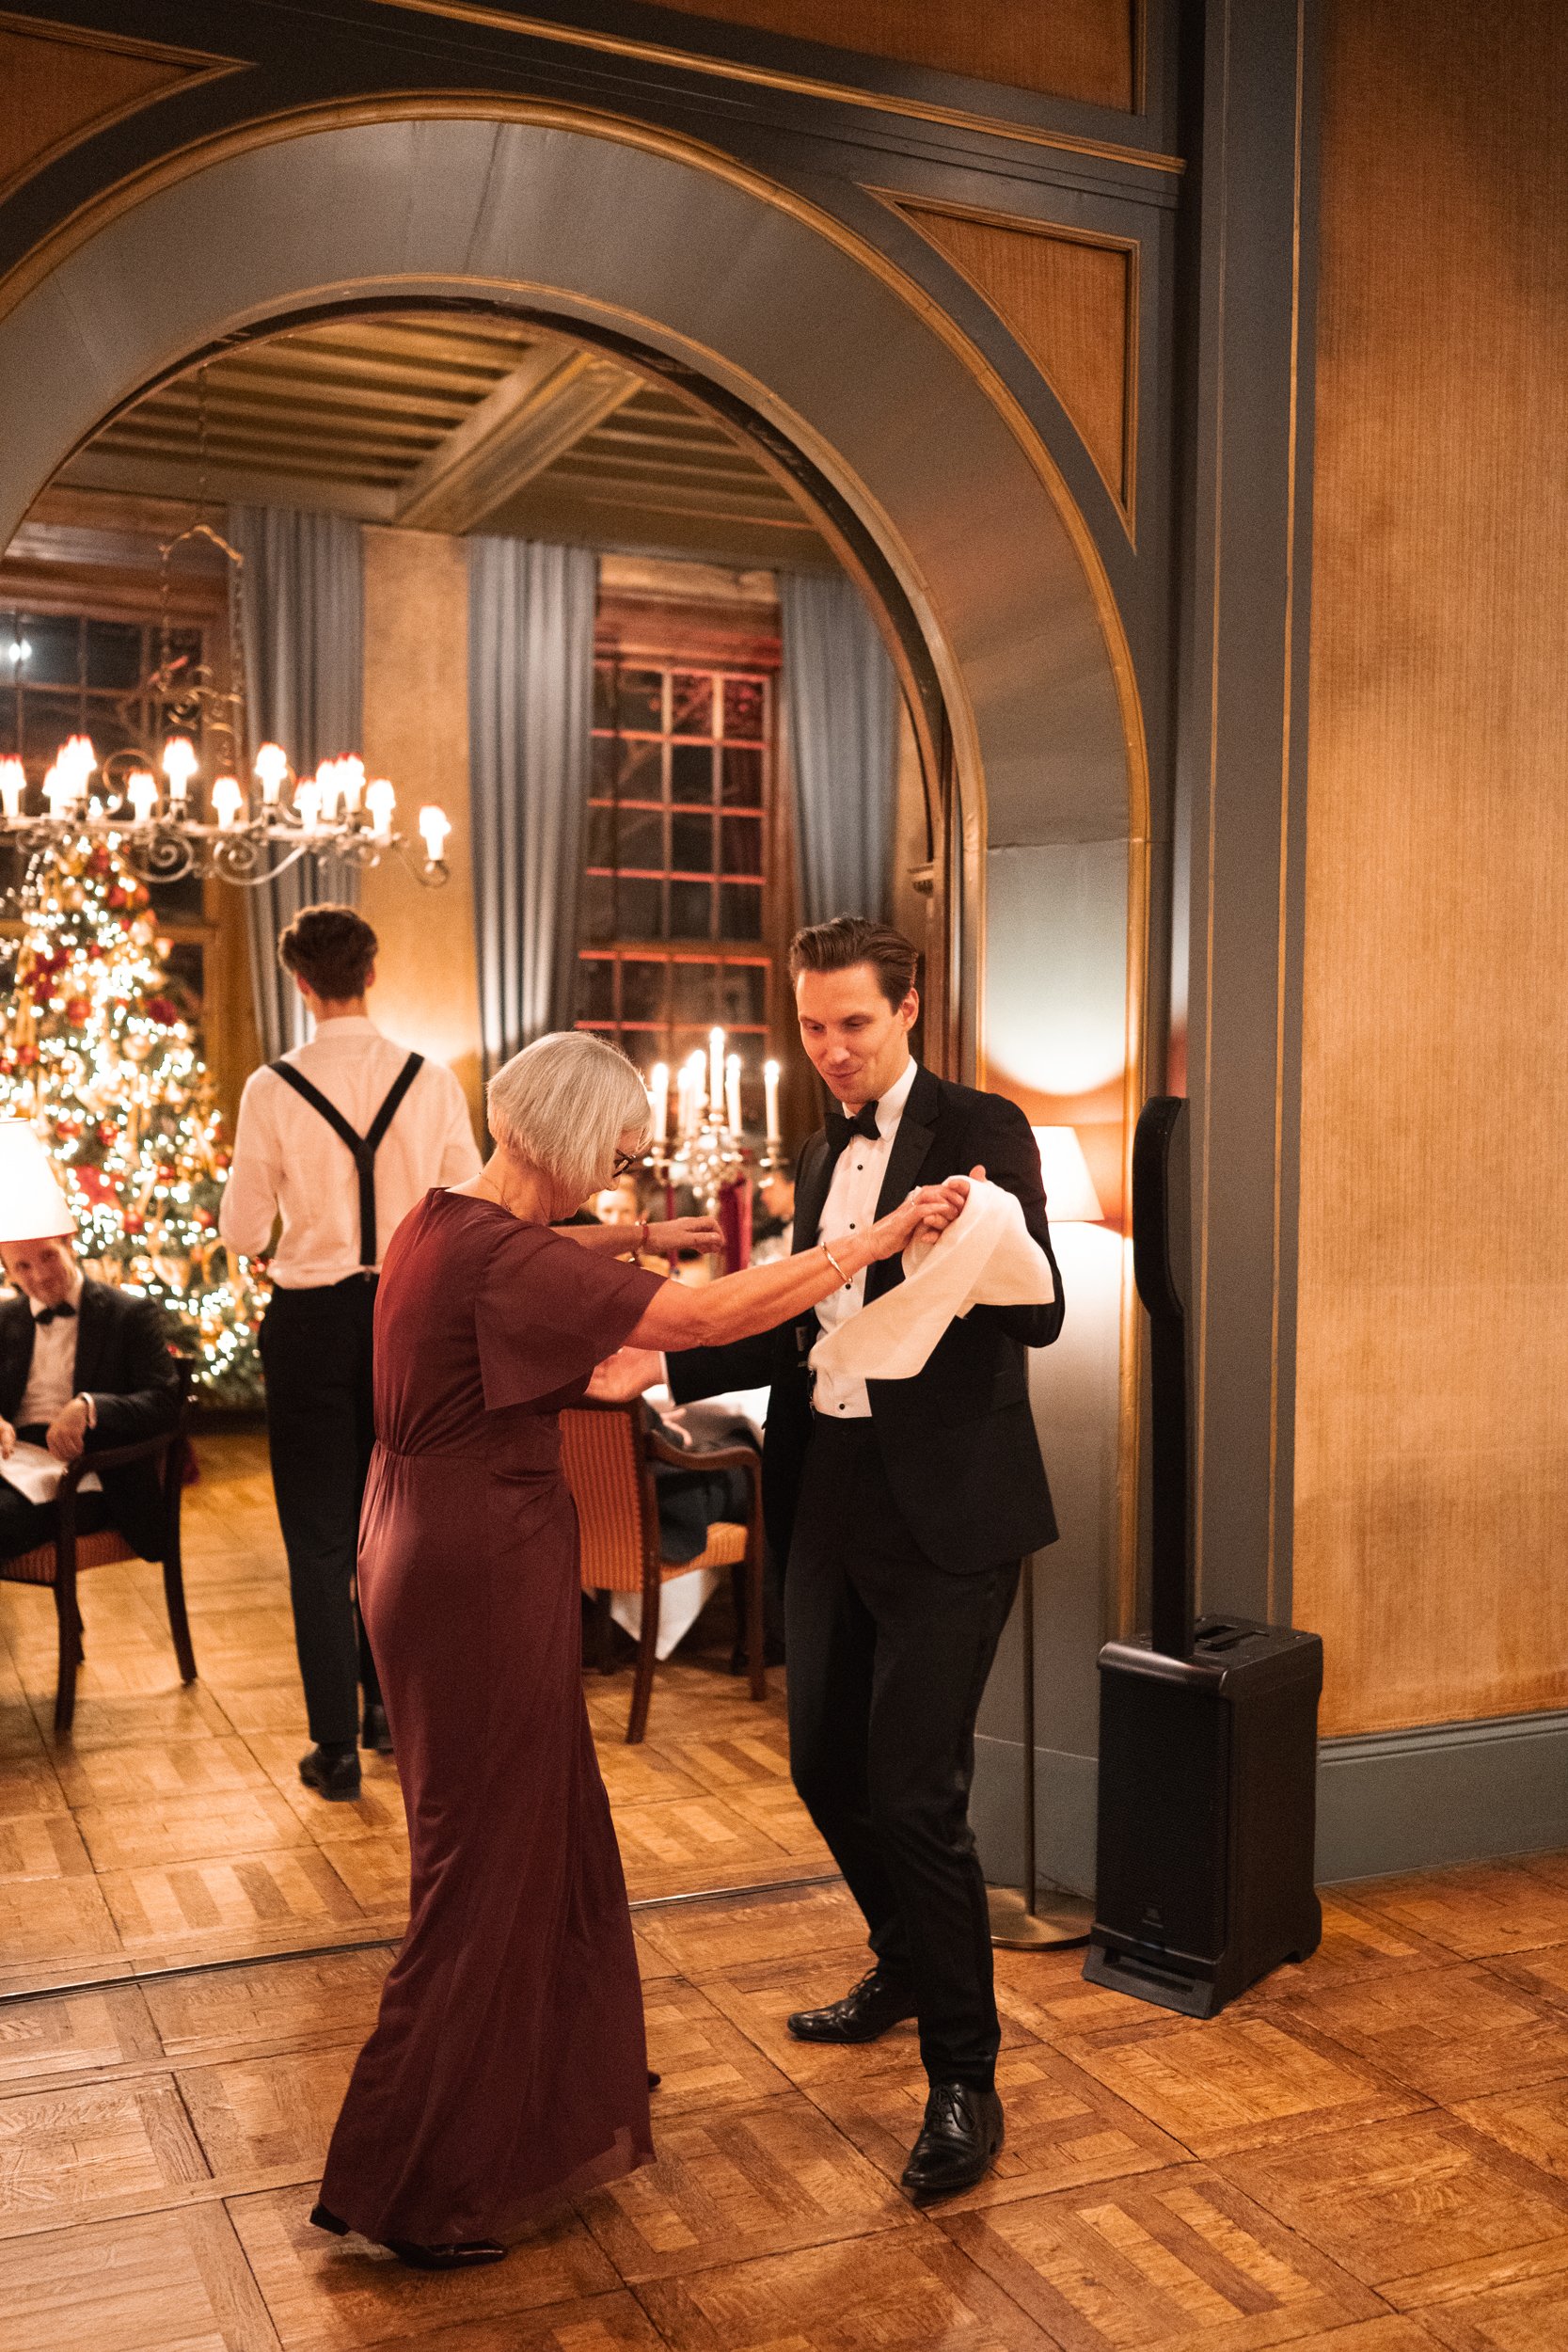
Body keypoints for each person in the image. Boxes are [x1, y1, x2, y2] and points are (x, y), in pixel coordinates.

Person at [310, 1027, 962, 2267]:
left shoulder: (433, 1224)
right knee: (482, 1862)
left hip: (414, 1538)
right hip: (472, 1568)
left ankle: (539, 2101)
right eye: (608, 1155)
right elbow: (703, 1309)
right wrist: (870, 1244)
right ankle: (415, 2180)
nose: (611, 1181)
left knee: (535, 1828)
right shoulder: (506, 1253)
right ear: (558, 1134)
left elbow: (578, 1368)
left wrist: (621, 1362)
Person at [594, 914, 1064, 2203]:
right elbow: (806, 1316)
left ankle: (963, 2078)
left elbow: (1044, 1311)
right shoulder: (816, 1146)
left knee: (914, 1790)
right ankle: (904, 1959)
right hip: (833, 1493)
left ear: (905, 1009)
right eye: (809, 1026)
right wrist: (665, 1362)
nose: (831, 1049)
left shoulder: (983, 1128)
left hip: (949, 1514)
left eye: (852, 1023)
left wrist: (974, 1241)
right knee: (818, 1766)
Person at [218, 904, 483, 1801]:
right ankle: (390, 1718)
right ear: (371, 972)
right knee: (404, 1528)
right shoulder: (432, 1081)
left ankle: (335, 1748)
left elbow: (244, 1228)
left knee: (320, 1539)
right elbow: (468, 1204)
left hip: (313, 1329)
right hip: (412, 1320)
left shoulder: (270, 1089)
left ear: (300, 982)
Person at [0, 1227, 180, 1565]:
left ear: (69, 1244)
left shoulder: (128, 1314)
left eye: (48, 1256)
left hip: (87, 1475)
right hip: (13, 1461)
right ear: (8, 1272)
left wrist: (90, 1407)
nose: (39, 1275)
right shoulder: (5, 1319)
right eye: (22, 1266)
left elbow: (166, 1404)